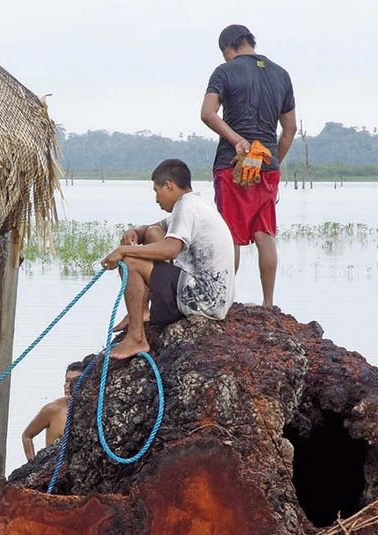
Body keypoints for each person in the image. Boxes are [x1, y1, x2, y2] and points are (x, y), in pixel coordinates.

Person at [200, 24, 297, 309]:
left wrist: (237, 140)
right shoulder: (281, 74)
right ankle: (268, 304)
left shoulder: (224, 71)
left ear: (228, 48)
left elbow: (207, 113)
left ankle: (225, 303)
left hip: (232, 163)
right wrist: (272, 161)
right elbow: (289, 128)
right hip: (266, 165)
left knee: (229, 233)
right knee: (264, 233)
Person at [100, 159, 235, 359]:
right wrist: (135, 231)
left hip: (203, 299)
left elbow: (171, 249)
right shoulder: (196, 203)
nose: (156, 199)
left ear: (168, 186)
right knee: (153, 233)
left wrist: (123, 250)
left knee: (129, 262)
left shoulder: (186, 205)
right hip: (215, 300)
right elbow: (153, 229)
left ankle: (136, 338)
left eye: (157, 191)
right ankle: (142, 311)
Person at [21, 361, 86, 461]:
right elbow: (27, 436)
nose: (68, 386)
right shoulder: (52, 409)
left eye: (74, 381)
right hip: (53, 466)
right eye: (66, 381)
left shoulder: (93, 411)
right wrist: (32, 463)